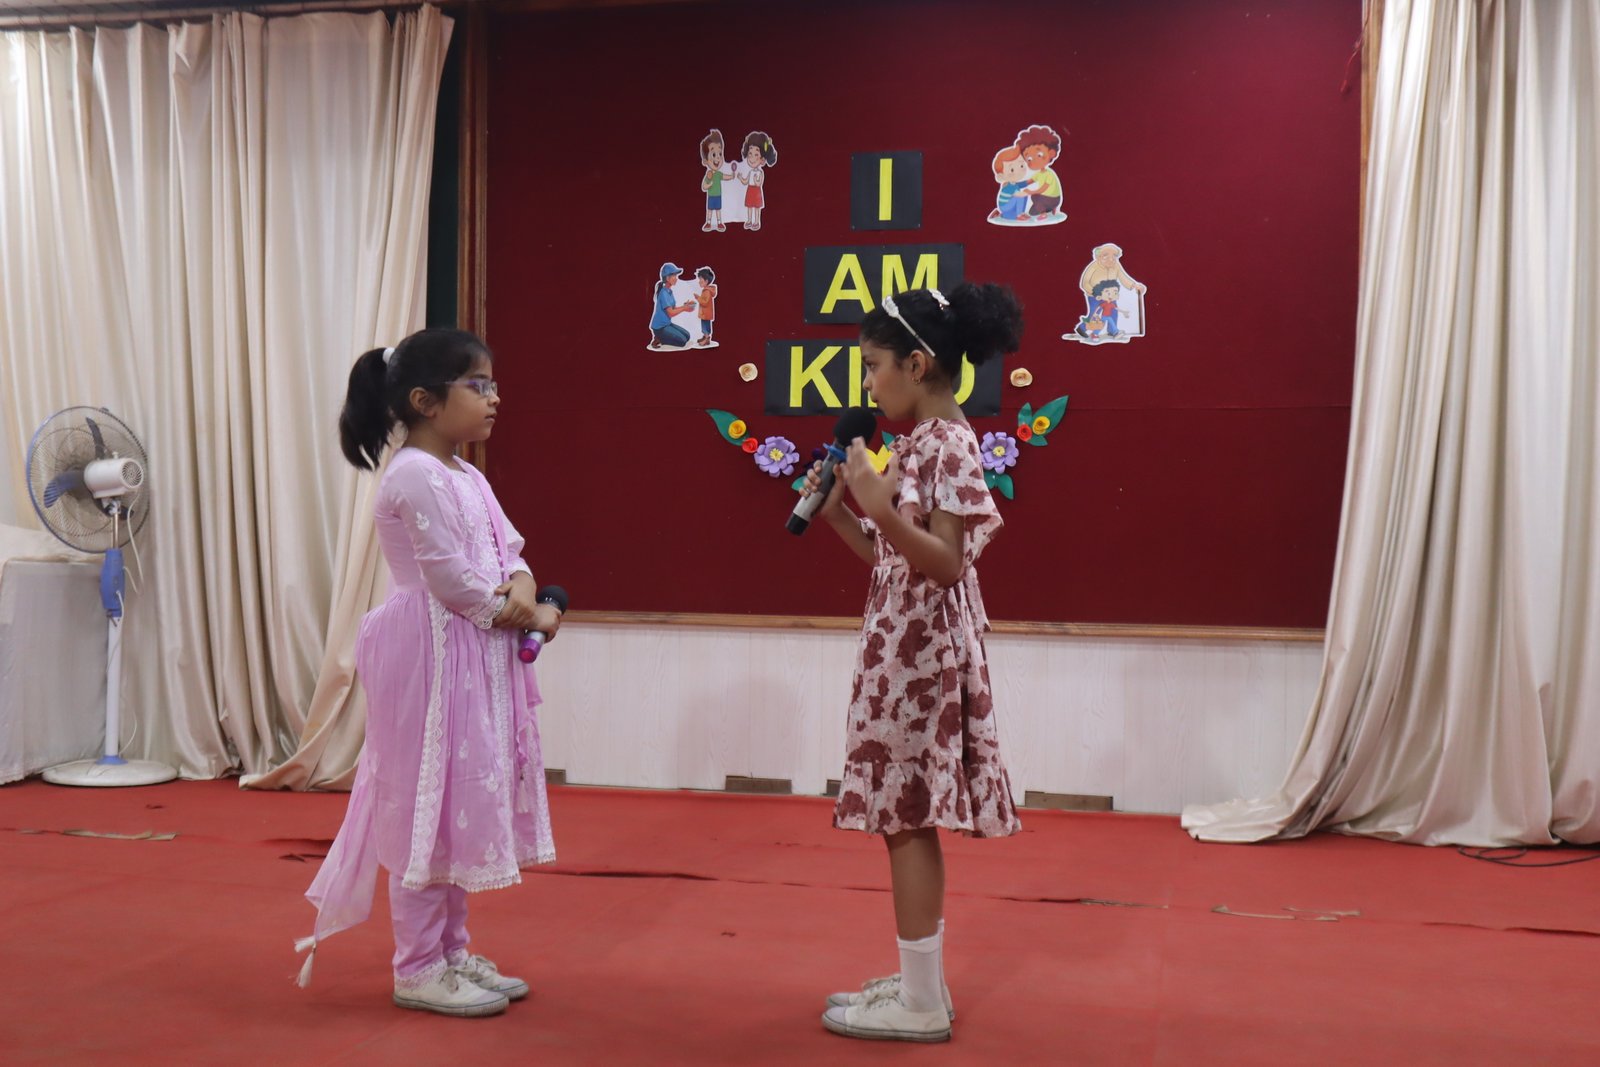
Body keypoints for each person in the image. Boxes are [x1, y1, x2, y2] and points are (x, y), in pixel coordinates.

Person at [296, 327, 562, 1018]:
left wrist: (525, 585)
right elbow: (450, 579)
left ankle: (451, 952)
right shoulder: (413, 473)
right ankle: (416, 966)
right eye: (479, 385)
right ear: (425, 401)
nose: (495, 398)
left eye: (494, 384)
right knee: (425, 804)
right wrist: (522, 613)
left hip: (472, 651)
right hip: (430, 653)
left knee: (455, 803)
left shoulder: (468, 475)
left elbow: (509, 549)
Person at [801, 283, 1025, 1043]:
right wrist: (842, 510)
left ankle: (922, 1001)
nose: (868, 385)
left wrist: (878, 502)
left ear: (917, 364)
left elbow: (947, 562)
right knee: (904, 813)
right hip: (901, 637)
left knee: (906, 813)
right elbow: (894, 557)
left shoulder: (948, 442)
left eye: (874, 366)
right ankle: (919, 981)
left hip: (922, 651)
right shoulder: (921, 442)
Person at [649, 263, 697, 349]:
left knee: (687, 336)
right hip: (660, 327)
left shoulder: (669, 291)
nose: (676, 278)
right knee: (682, 342)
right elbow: (671, 313)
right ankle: (659, 338)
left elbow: (673, 308)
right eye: (674, 276)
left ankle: (662, 337)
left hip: (667, 324)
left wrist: (685, 306)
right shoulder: (663, 293)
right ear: (667, 278)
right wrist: (684, 308)